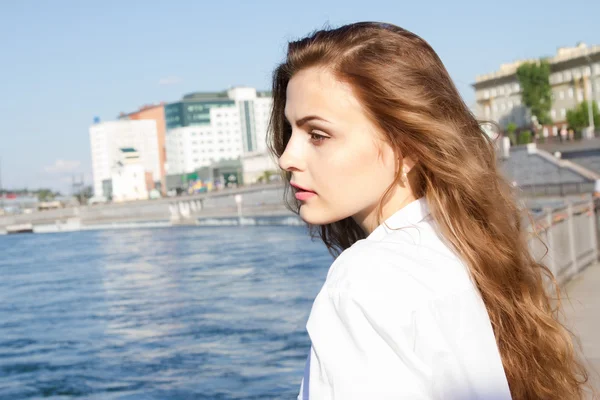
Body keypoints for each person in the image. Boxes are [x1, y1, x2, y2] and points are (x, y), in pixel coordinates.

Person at [267, 22, 590, 399]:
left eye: (318, 135)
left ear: (407, 146)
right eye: (290, 131)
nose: (287, 157)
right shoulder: (460, 247)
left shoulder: (363, 282)